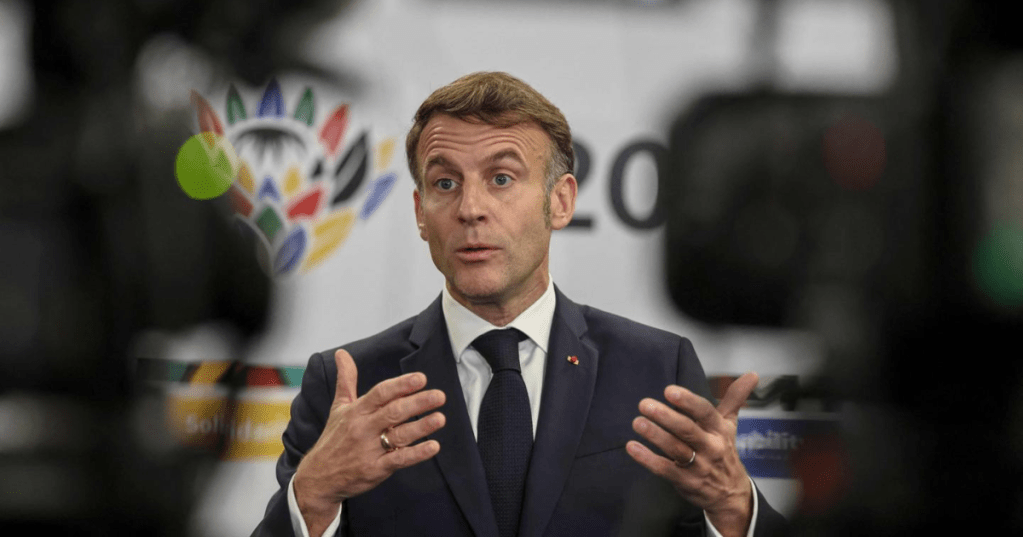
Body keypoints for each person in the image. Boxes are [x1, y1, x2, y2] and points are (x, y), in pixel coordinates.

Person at [252, 72, 789, 537]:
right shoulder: (349, 386)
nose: (470, 208)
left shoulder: (656, 371)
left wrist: (734, 507)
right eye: (445, 183)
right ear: (420, 213)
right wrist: (313, 497)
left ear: (561, 201)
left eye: (502, 178)